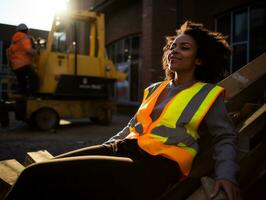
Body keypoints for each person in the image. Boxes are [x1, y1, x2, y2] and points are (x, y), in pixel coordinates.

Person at [4, 21, 240, 200]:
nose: (173, 52)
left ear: (199, 60)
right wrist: (106, 148)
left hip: (153, 168)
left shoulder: (207, 94)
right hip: (123, 149)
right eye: (172, 47)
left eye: (184, 48)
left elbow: (224, 137)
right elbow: (132, 126)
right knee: (37, 173)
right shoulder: (155, 89)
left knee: (33, 177)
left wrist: (226, 175)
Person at [6, 23, 39, 96]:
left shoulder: (14, 41)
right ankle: (32, 94)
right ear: (26, 30)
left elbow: (10, 53)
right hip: (24, 64)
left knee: (22, 81)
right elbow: (29, 50)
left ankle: (22, 94)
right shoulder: (25, 37)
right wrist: (36, 52)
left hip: (15, 66)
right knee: (34, 77)